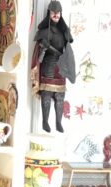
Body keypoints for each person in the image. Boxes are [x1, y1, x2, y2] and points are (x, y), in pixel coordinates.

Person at [31, 1, 76, 133]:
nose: (56, 14)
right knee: (47, 93)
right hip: (49, 64)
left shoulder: (64, 31)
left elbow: (68, 48)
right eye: (53, 12)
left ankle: (58, 122)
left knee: (60, 96)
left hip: (62, 65)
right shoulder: (44, 32)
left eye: (58, 13)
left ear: (61, 14)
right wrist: (43, 46)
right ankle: (45, 121)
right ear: (49, 13)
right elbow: (39, 50)